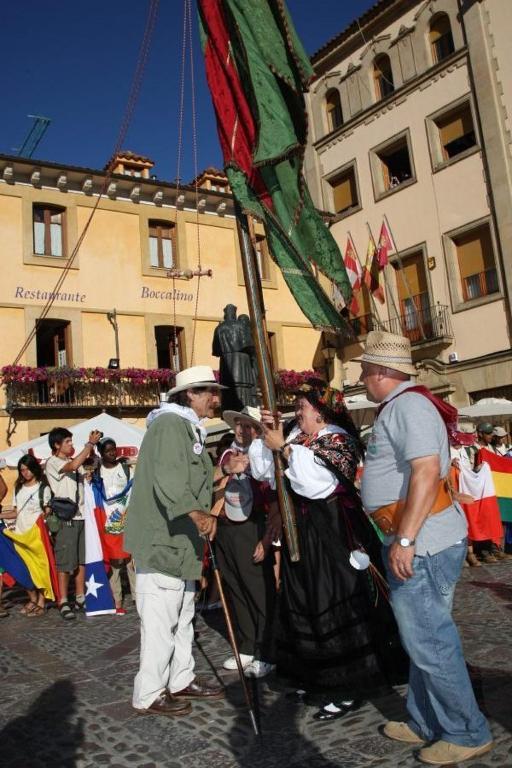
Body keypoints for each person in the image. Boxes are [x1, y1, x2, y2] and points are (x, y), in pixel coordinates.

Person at [359, 330, 492, 766]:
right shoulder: (403, 405)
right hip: (422, 537)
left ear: (381, 371)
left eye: (365, 368)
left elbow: (425, 473)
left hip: (423, 542)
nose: (361, 374)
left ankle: (465, 730)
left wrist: (405, 539)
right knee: (421, 638)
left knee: (430, 640)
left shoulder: (409, 406)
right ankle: (425, 719)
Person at [250, 381, 407, 723]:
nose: (297, 413)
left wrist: (285, 449)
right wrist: (269, 435)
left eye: (302, 408)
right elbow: (267, 473)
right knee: (304, 600)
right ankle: (317, 675)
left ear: (320, 411)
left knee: (333, 602)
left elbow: (315, 483)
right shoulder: (300, 438)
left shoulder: (339, 440)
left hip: (333, 533)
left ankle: (346, 685)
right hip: (305, 534)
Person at [124, 365, 226, 718]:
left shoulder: (184, 427)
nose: (215, 399)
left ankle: (181, 678)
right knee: (159, 621)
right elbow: (170, 482)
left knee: (182, 617)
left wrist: (225, 472)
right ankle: (149, 693)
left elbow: (190, 480)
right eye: (208, 392)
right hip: (162, 542)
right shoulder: (169, 425)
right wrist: (200, 516)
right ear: (188, 395)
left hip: (180, 545)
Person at [215, 406, 278, 678]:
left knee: (258, 590)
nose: (242, 429)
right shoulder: (228, 454)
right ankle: (247, 645)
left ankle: (268, 650)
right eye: (239, 424)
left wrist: (266, 538)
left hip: (253, 526)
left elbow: (273, 496)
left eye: (247, 425)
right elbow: (215, 488)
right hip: (227, 528)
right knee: (236, 587)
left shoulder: (264, 455)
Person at [45, 427, 102, 621]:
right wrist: (90, 444)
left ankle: (80, 596)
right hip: (65, 517)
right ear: (57, 445)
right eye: (68, 442)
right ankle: (63, 600)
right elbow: (73, 466)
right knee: (65, 562)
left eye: (71, 441)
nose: (71, 445)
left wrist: (92, 451)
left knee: (80, 560)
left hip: (81, 515)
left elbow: (87, 464)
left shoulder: (73, 461)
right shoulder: (52, 463)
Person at [92, 438, 136, 614]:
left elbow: (134, 490)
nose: (112, 453)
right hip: (108, 523)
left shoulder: (126, 469)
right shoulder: (96, 473)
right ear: (101, 453)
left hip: (127, 519)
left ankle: (138, 597)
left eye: (114, 449)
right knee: (114, 562)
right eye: (108, 450)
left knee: (131, 561)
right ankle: (117, 600)